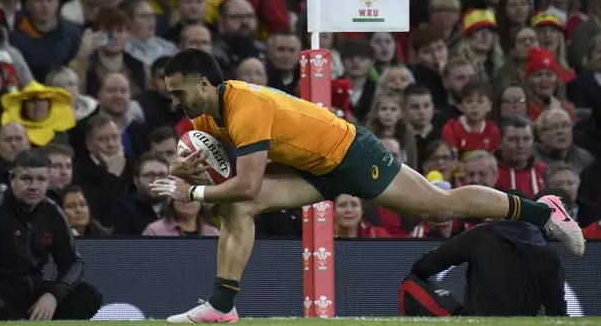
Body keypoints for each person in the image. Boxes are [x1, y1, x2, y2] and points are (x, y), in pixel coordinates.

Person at [151, 48, 583, 323]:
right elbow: (193, 157)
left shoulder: (245, 107)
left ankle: (544, 212)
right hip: (311, 165)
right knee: (237, 210)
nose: (174, 102)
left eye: (178, 92)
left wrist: (194, 193)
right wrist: (182, 171)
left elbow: (247, 184)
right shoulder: (204, 115)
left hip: (349, 154)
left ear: (203, 83)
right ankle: (221, 309)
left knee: (439, 207)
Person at [0, 150, 103, 321]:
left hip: (30, 294)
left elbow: (74, 263)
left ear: (49, 180)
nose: (34, 186)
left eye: (41, 179)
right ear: (12, 178)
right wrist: (12, 318)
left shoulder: (53, 213)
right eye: (26, 179)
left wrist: (53, 295)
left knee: (88, 296)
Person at [402, 206, 567, 316]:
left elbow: (430, 262)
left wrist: (419, 273)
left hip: (472, 320)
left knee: (410, 283)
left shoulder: (482, 234)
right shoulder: (548, 253)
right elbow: (557, 309)